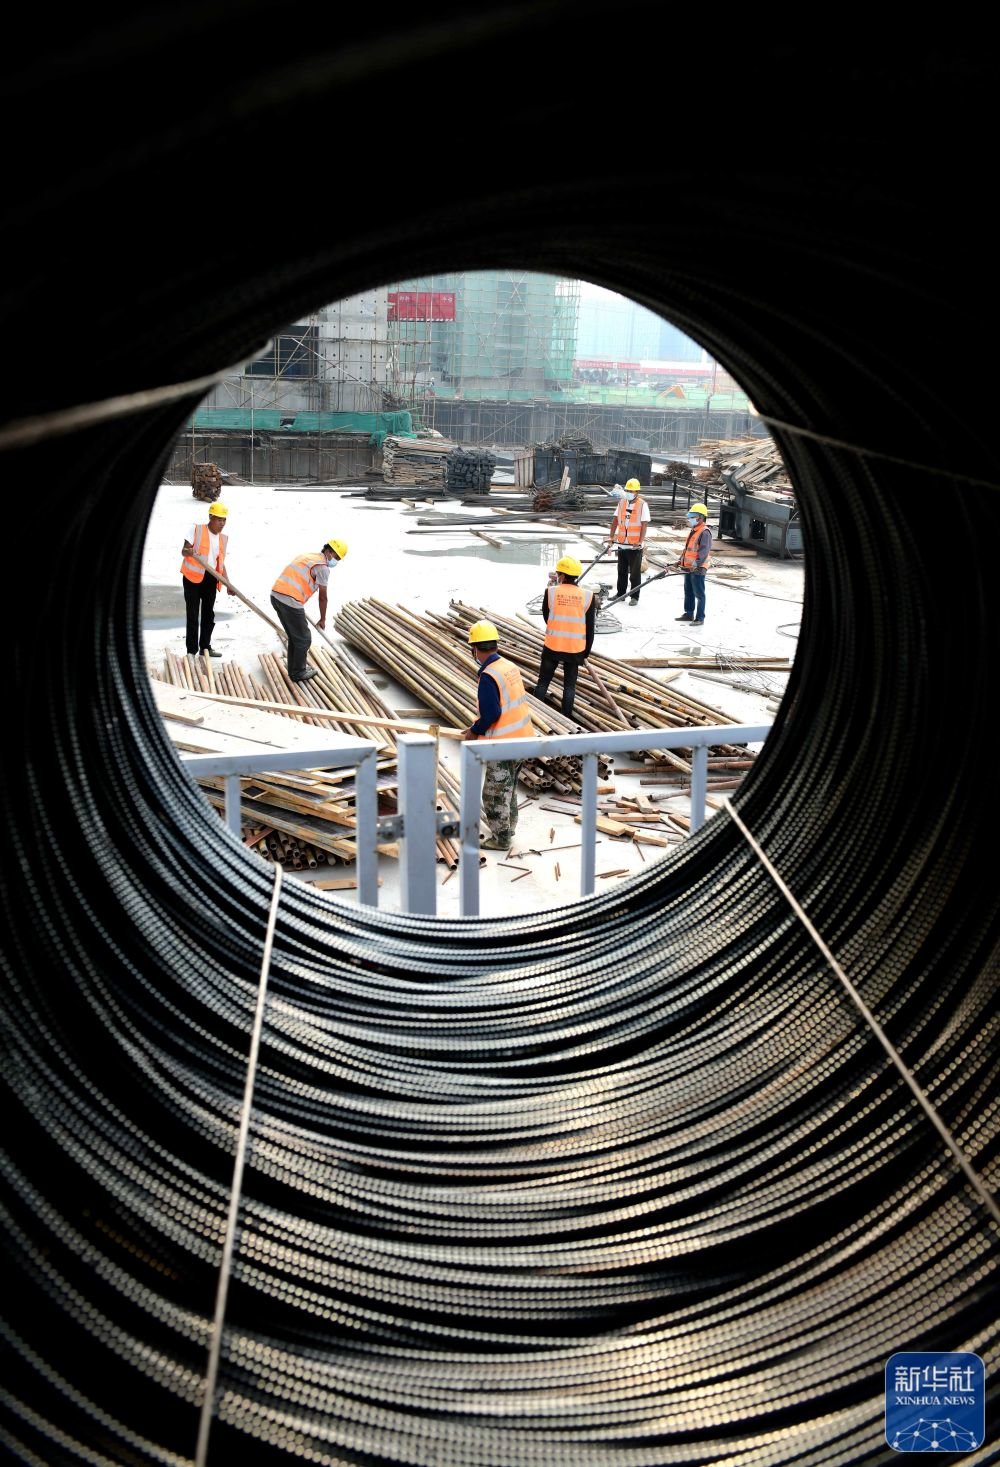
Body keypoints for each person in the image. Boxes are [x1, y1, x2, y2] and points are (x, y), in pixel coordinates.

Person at [460, 619, 534, 852]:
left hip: (504, 744)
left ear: (474, 648)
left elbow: (492, 713)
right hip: (523, 737)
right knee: (509, 789)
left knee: (493, 794)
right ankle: (509, 829)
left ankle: (501, 839)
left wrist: (474, 731)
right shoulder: (508, 667)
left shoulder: (489, 676)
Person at [270, 537, 348, 683]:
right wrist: (323, 619)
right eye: (336, 557)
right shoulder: (323, 568)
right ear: (329, 552)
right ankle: (298, 672)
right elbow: (323, 597)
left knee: (295, 637)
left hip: (276, 595)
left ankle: (293, 670)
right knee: (304, 639)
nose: (336, 561)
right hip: (290, 600)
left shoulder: (308, 556)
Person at [531, 555, 595, 720]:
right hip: (575, 649)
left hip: (553, 645)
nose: (557, 577)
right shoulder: (588, 596)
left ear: (563, 575)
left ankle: (535, 716)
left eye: (558, 574)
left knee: (543, 683)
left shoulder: (551, 592)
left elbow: (547, 617)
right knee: (569, 687)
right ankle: (566, 719)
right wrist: (585, 652)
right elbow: (589, 628)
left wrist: (557, 627)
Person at [180, 500, 233, 657]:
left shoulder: (222, 538)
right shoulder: (196, 529)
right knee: (193, 615)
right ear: (211, 517)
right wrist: (188, 552)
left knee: (208, 615)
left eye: (224, 519)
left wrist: (228, 583)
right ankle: (191, 651)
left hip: (211, 578)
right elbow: (184, 550)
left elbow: (221, 563)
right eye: (219, 519)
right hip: (192, 577)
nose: (222, 523)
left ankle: (205, 648)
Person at [607, 477, 650, 605]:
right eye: (627, 490)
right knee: (622, 571)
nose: (629, 492)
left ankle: (634, 596)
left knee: (635, 573)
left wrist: (640, 541)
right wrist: (611, 536)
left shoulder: (642, 505)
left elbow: (644, 524)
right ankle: (621, 594)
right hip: (622, 543)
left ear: (637, 492)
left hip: (634, 545)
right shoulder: (622, 503)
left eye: (632, 491)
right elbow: (615, 520)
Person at [675, 501, 712, 626]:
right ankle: (689, 613)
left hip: (698, 568)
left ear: (700, 517)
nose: (690, 519)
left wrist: (696, 564)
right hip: (688, 567)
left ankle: (700, 617)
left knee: (699, 594)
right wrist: (680, 561)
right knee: (688, 591)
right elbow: (688, 549)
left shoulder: (704, 532)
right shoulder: (694, 530)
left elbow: (704, 551)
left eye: (693, 517)